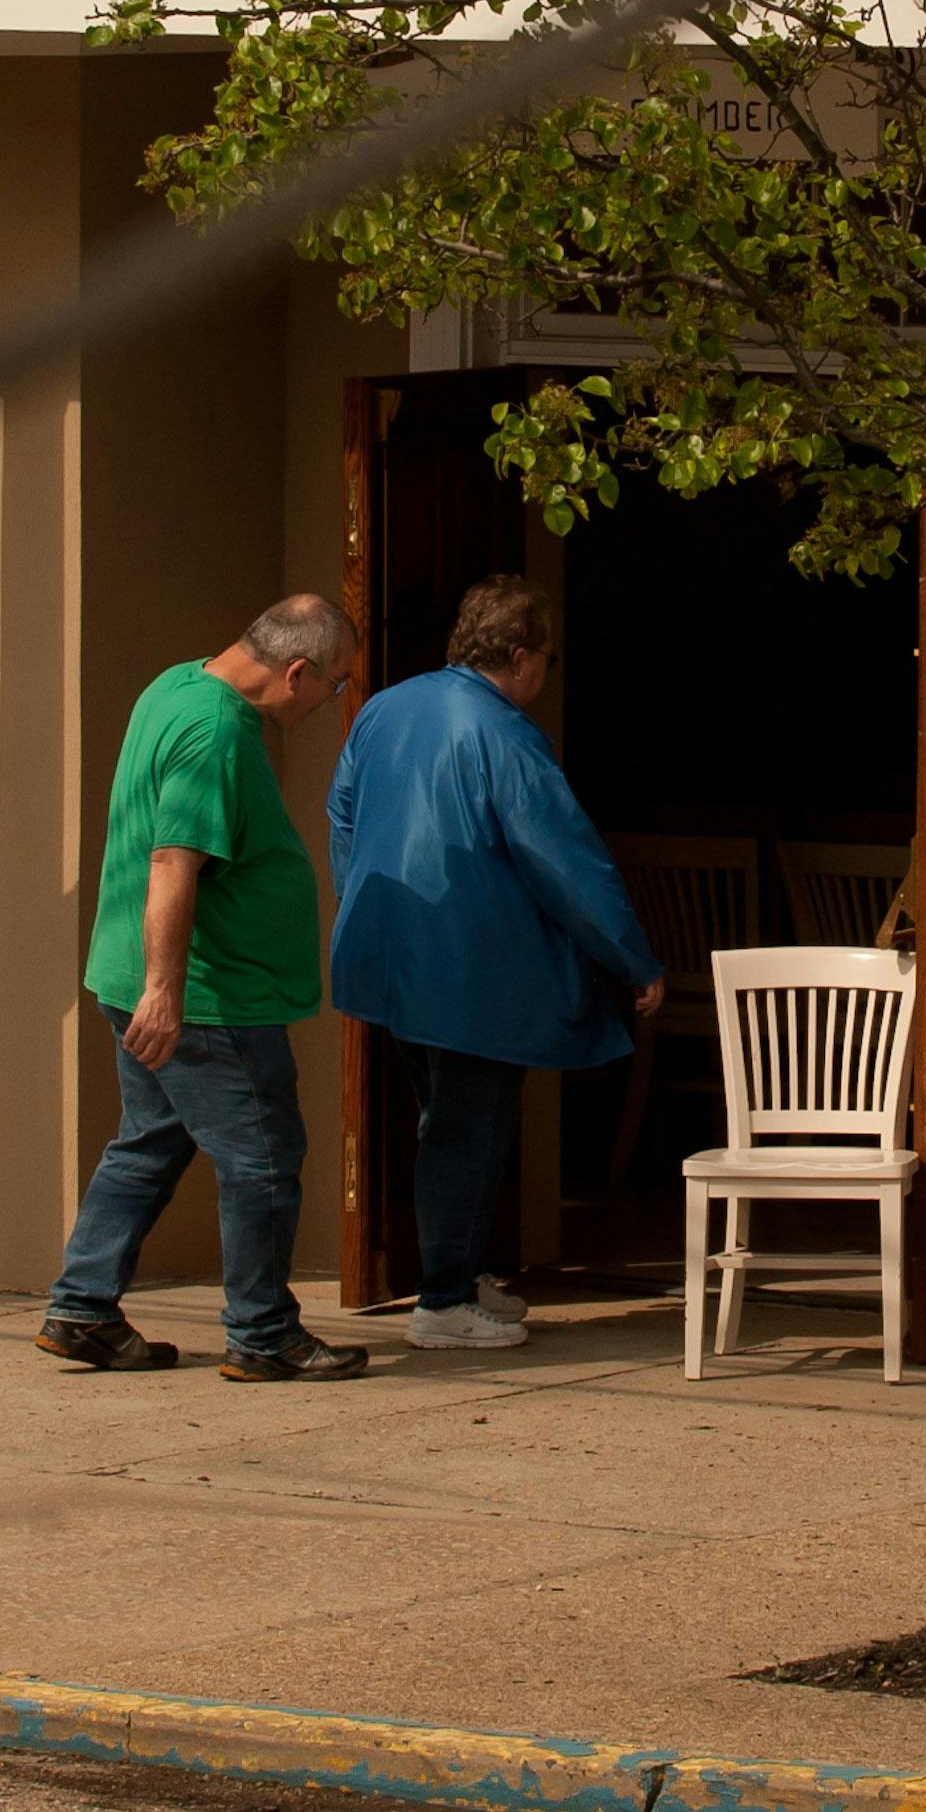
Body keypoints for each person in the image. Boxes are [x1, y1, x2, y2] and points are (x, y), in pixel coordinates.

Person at [41, 594, 370, 1383]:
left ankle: (83, 1307)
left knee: (151, 1141)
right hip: (209, 997)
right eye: (335, 684)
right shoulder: (216, 731)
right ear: (297, 671)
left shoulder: (176, 684)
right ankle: (263, 1334)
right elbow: (172, 860)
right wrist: (166, 990)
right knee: (263, 1157)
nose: (334, 701)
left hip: (137, 973)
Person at [328, 574, 660, 1352]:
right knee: (467, 1131)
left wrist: (363, 912)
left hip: (394, 960)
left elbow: (342, 813)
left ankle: (459, 1270)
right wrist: (634, 961)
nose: (546, 673)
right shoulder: (505, 736)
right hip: (473, 971)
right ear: (518, 656)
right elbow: (566, 860)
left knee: (442, 1119)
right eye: (545, 657)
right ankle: (443, 1301)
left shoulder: (382, 710)